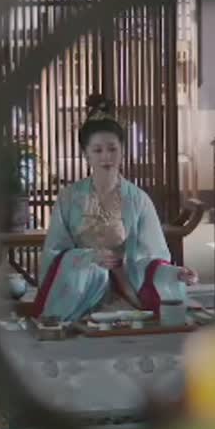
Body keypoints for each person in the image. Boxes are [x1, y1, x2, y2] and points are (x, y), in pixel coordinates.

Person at [34, 94, 198, 323]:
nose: (106, 157)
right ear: (86, 154)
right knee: (92, 272)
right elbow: (54, 255)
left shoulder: (138, 200)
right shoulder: (68, 198)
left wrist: (175, 273)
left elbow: (152, 257)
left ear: (122, 150)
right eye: (97, 150)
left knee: (170, 285)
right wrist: (90, 259)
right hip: (82, 290)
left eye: (112, 148)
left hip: (128, 287)